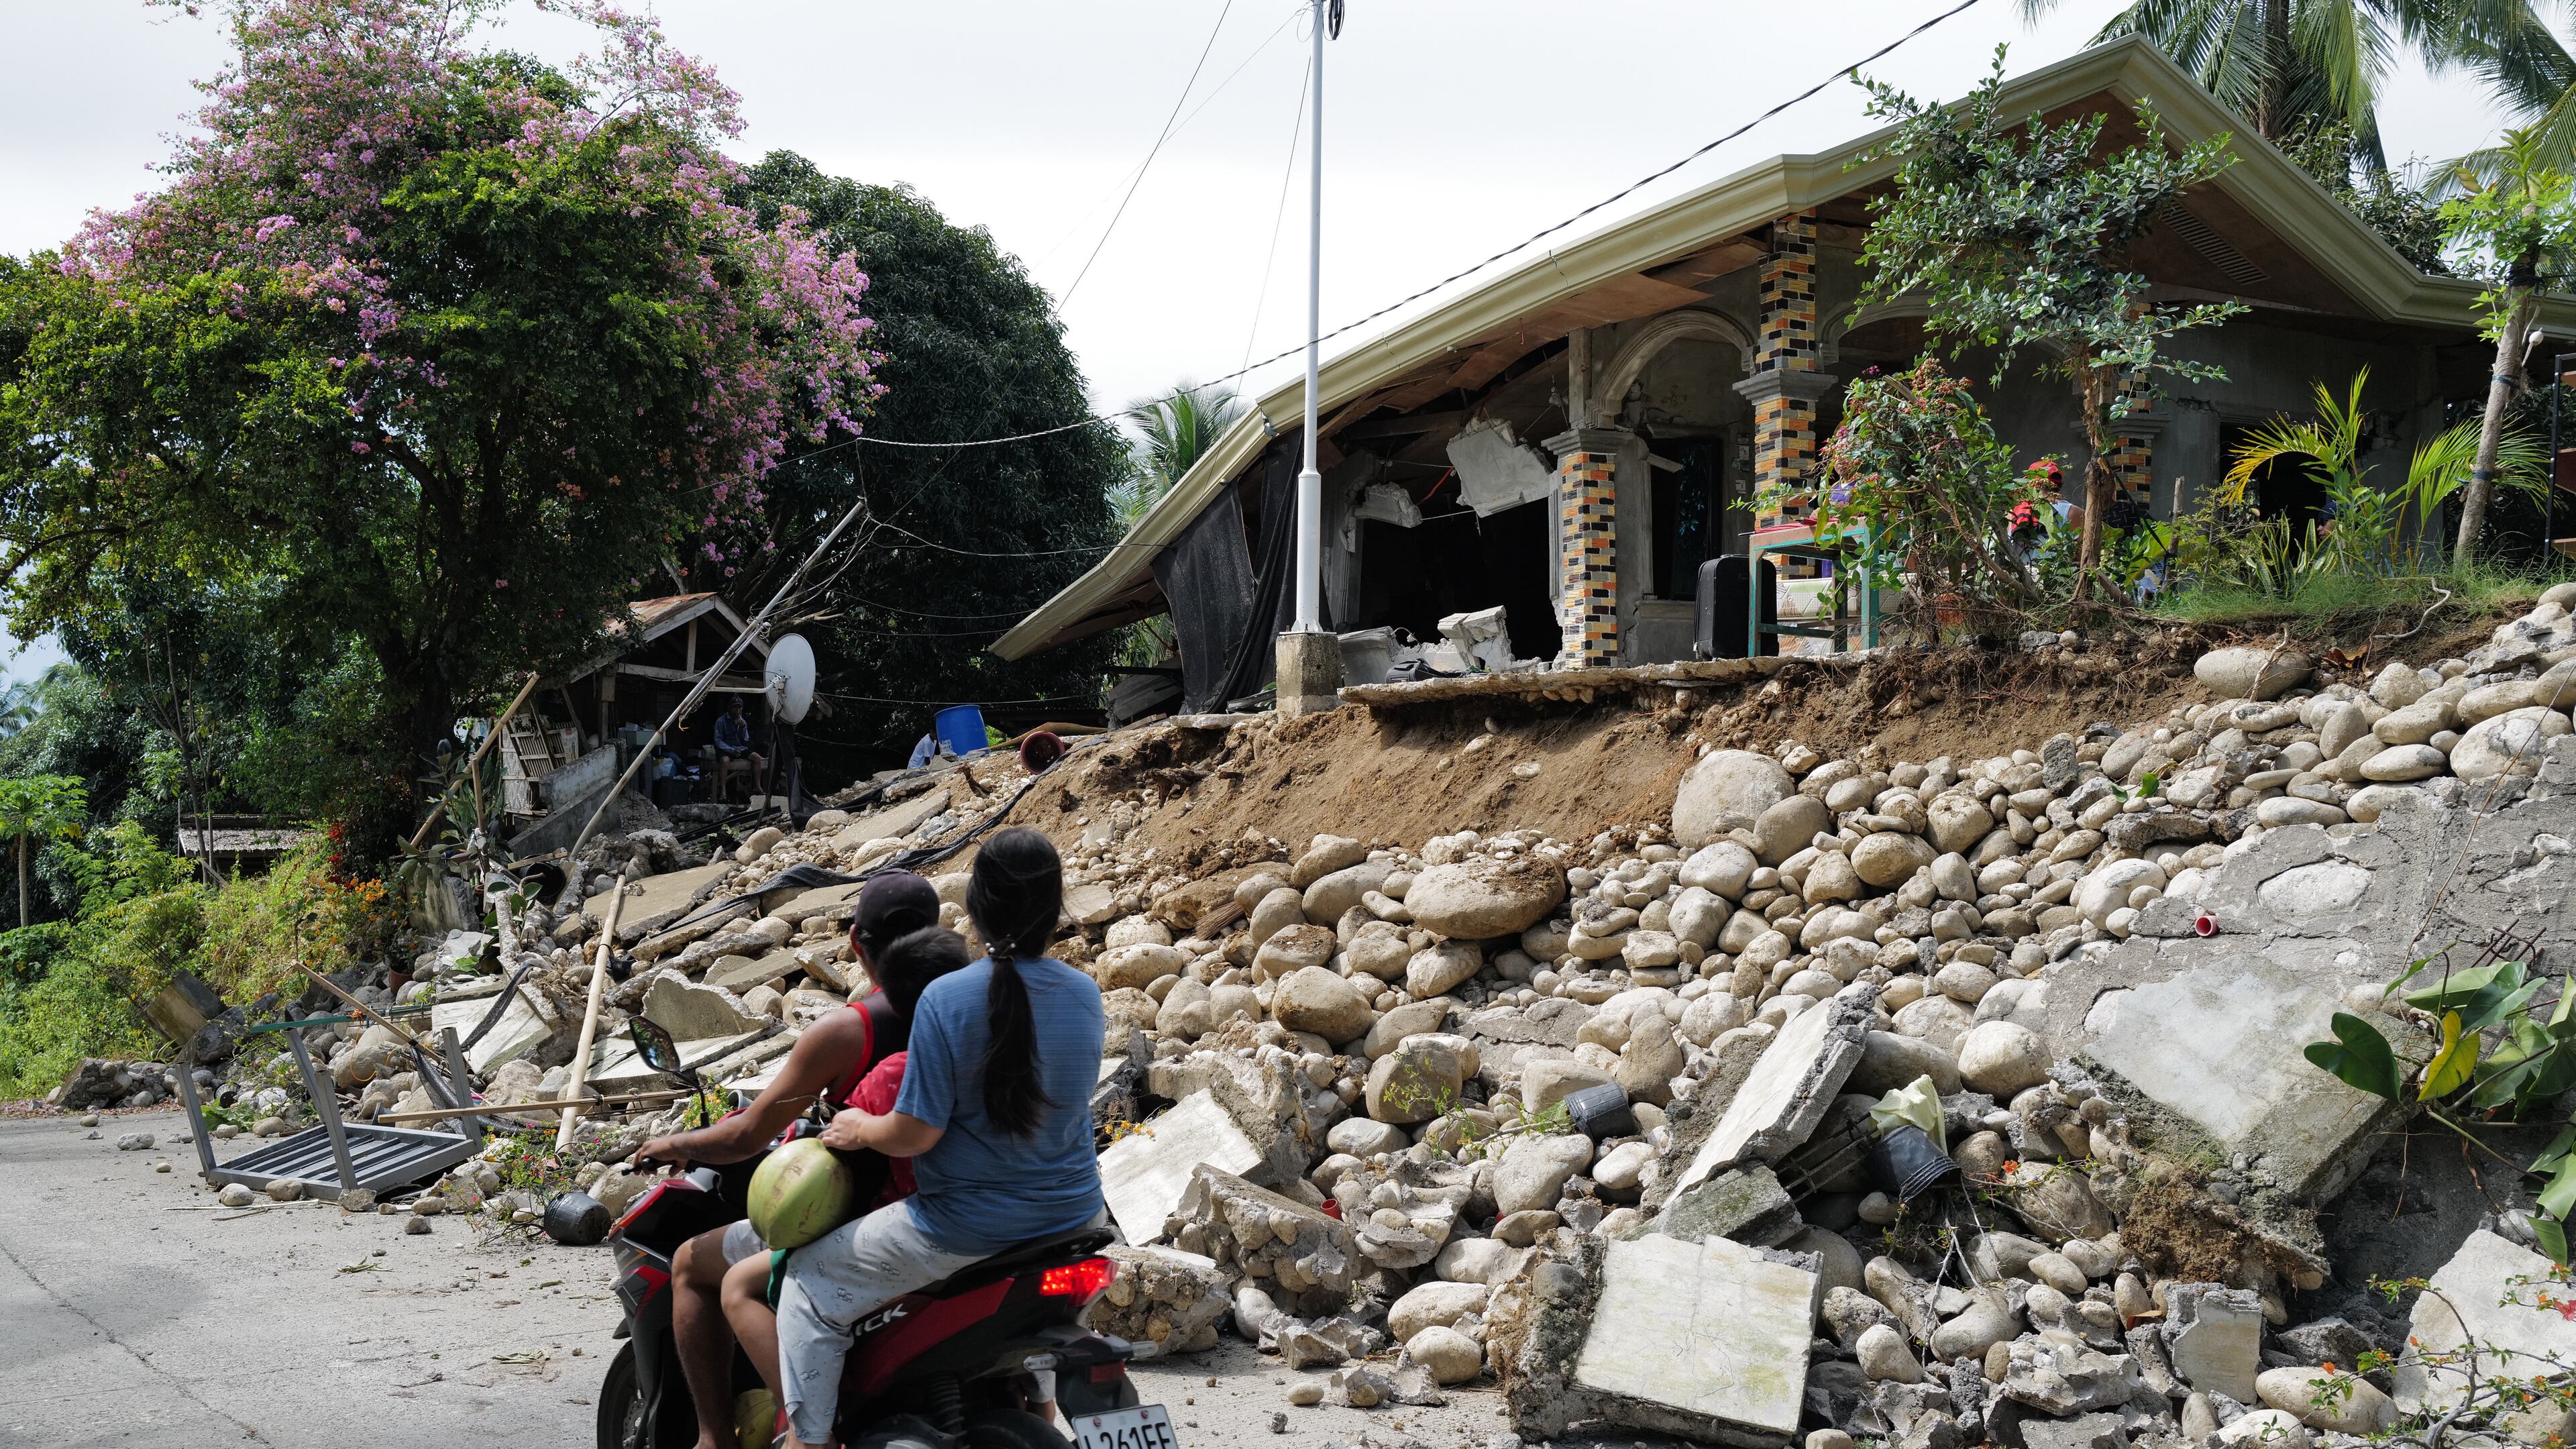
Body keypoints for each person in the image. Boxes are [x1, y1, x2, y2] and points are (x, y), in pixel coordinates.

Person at [762, 828, 1106, 1449]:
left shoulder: (946, 998)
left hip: (967, 1227)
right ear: (1057, 909)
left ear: (973, 908)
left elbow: (915, 1134)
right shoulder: (1084, 993)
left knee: (807, 1285)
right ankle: (1041, 1408)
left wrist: (859, 1128)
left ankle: (806, 1441)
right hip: (1076, 1217)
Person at [636, 871, 941, 1449]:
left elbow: (745, 1138)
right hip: (969, 1208)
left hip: (876, 1221)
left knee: (690, 1265)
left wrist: (672, 1144)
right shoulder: (965, 1013)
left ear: (856, 943)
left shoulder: (851, 1032)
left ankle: (726, 1436)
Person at [717, 925, 973, 1416]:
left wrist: (852, 1129)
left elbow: (840, 1151)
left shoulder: (898, 1072)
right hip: (1030, 1222)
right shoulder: (999, 1056)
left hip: (923, 1233)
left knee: (742, 1285)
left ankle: (808, 1429)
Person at [714, 696, 766, 802]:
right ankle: (723, 791)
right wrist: (730, 750)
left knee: (756, 757)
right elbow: (718, 741)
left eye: (739, 708)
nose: (737, 710)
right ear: (729, 708)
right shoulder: (721, 721)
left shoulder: (742, 721)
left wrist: (743, 728)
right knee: (725, 760)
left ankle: (757, 786)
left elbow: (745, 739)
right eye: (735, 708)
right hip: (725, 748)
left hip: (739, 748)